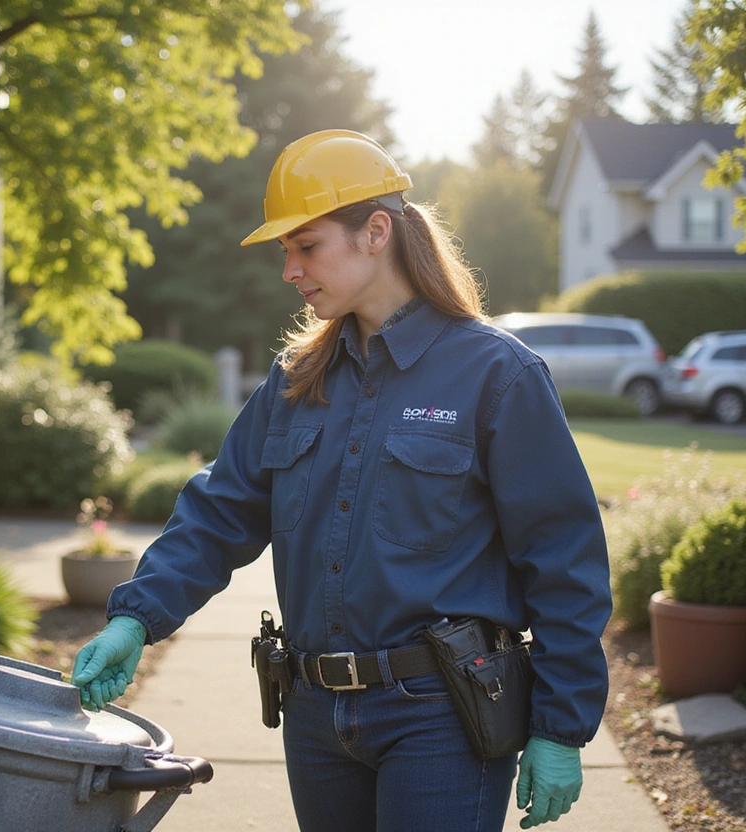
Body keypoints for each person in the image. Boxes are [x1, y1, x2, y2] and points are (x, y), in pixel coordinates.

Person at [71, 129, 611, 831]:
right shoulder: (296, 380)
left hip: (442, 718)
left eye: (307, 246)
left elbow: (564, 557)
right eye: (285, 252)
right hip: (316, 717)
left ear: (375, 231)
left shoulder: (497, 375)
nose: (290, 270)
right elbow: (219, 512)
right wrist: (134, 619)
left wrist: (560, 725)